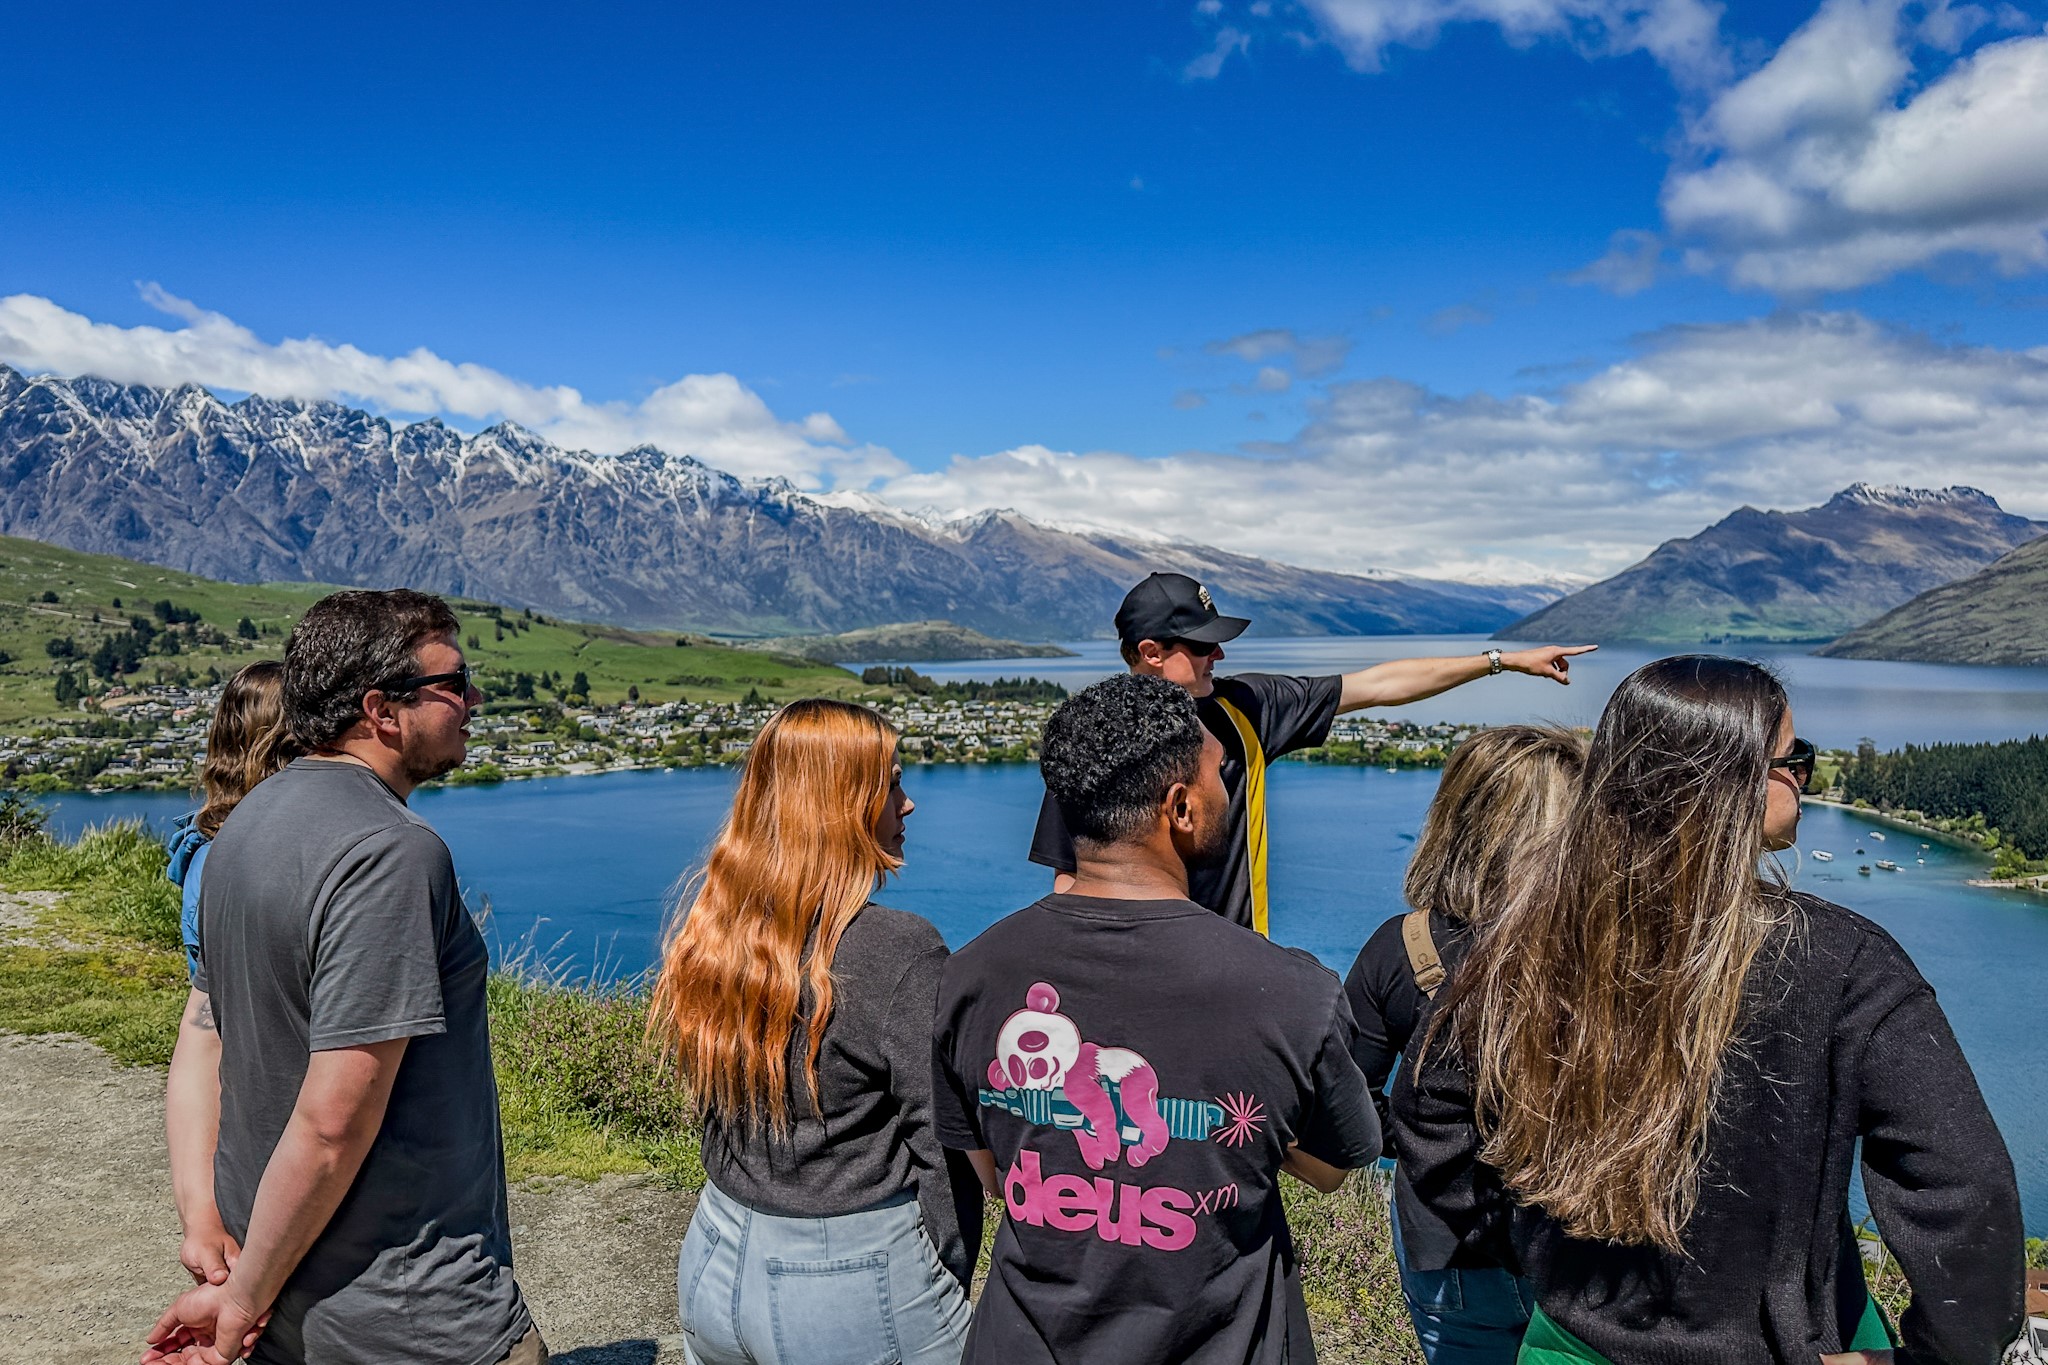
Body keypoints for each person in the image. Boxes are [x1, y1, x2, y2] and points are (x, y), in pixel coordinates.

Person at [1394, 656, 2024, 1365]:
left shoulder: (1521, 942)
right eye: (1796, 760)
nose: (1805, 777)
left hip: (1573, 1343)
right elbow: (1967, 1192)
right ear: (1732, 780)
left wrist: (1546, 1255)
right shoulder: (1845, 962)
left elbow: (1432, 1130)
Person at [935, 672, 1383, 1365]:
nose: (1226, 790)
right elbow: (1329, 1168)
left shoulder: (969, 973)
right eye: (1218, 774)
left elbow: (996, 1174)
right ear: (1180, 807)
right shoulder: (1292, 992)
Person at [146, 589, 539, 1365]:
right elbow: (333, 1121)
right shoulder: (390, 852)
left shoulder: (240, 829)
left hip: (299, 1308)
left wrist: (246, 1280)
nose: (474, 699)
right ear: (381, 710)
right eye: (454, 682)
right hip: (412, 1316)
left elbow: (216, 1040)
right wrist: (239, 1302)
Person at [650, 698, 977, 1365]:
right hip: (849, 1283)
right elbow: (944, 1144)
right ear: (842, 805)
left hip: (714, 1254)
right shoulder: (898, 950)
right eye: (891, 783)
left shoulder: (716, 933)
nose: (906, 804)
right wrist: (947, 1272)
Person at [1028, 572, 1593, 935]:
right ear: (1151, 652)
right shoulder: (1096, 740)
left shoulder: (1248, 705)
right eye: (1202, 645)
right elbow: (1069, 882)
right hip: (1140, 964)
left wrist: (1503, 661)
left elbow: (1378, 685)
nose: (1219, 653)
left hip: (1235, 957)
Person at [1343, 725, 1583, 1365]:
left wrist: (1424, 1138)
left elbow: (1343, 1105)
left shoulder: (1404, 946)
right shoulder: (1607, 950)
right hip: (1586, 1244)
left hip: (1449, 1249)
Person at [163, 660, 302, 1294]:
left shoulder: (206, 858)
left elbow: (202, 1033)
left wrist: (199, 1211)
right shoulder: (267, 863)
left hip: (248, 1169)